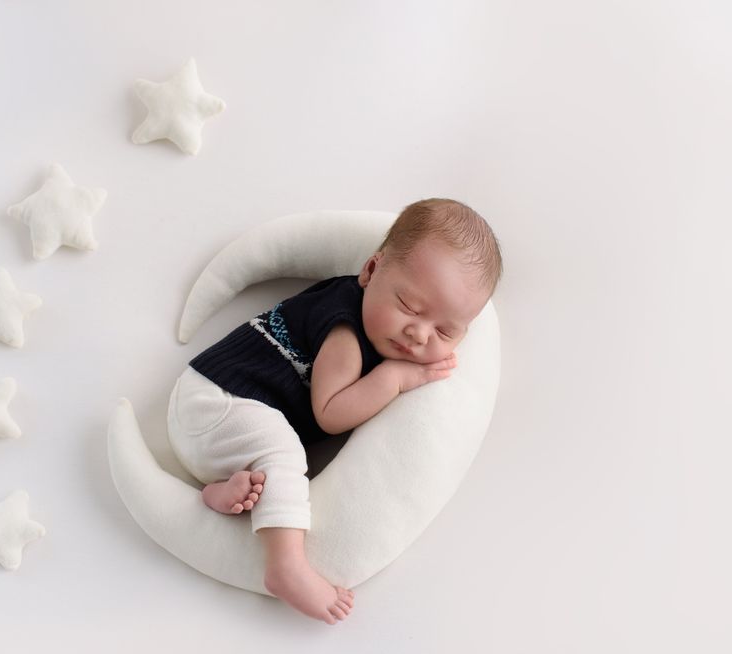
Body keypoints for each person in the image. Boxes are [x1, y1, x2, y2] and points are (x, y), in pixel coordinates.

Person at [168, 198, 503, 624]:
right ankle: (285, 567)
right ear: (371, 271)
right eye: (408, 306)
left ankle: (218, 490)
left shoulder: (378, 324)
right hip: (217, 400)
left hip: (218, 431)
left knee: (270, 459)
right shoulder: (344, 330)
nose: (418, 334)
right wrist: (393, 379)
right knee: (283, 455)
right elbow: (330, 413)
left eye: (444, 331)